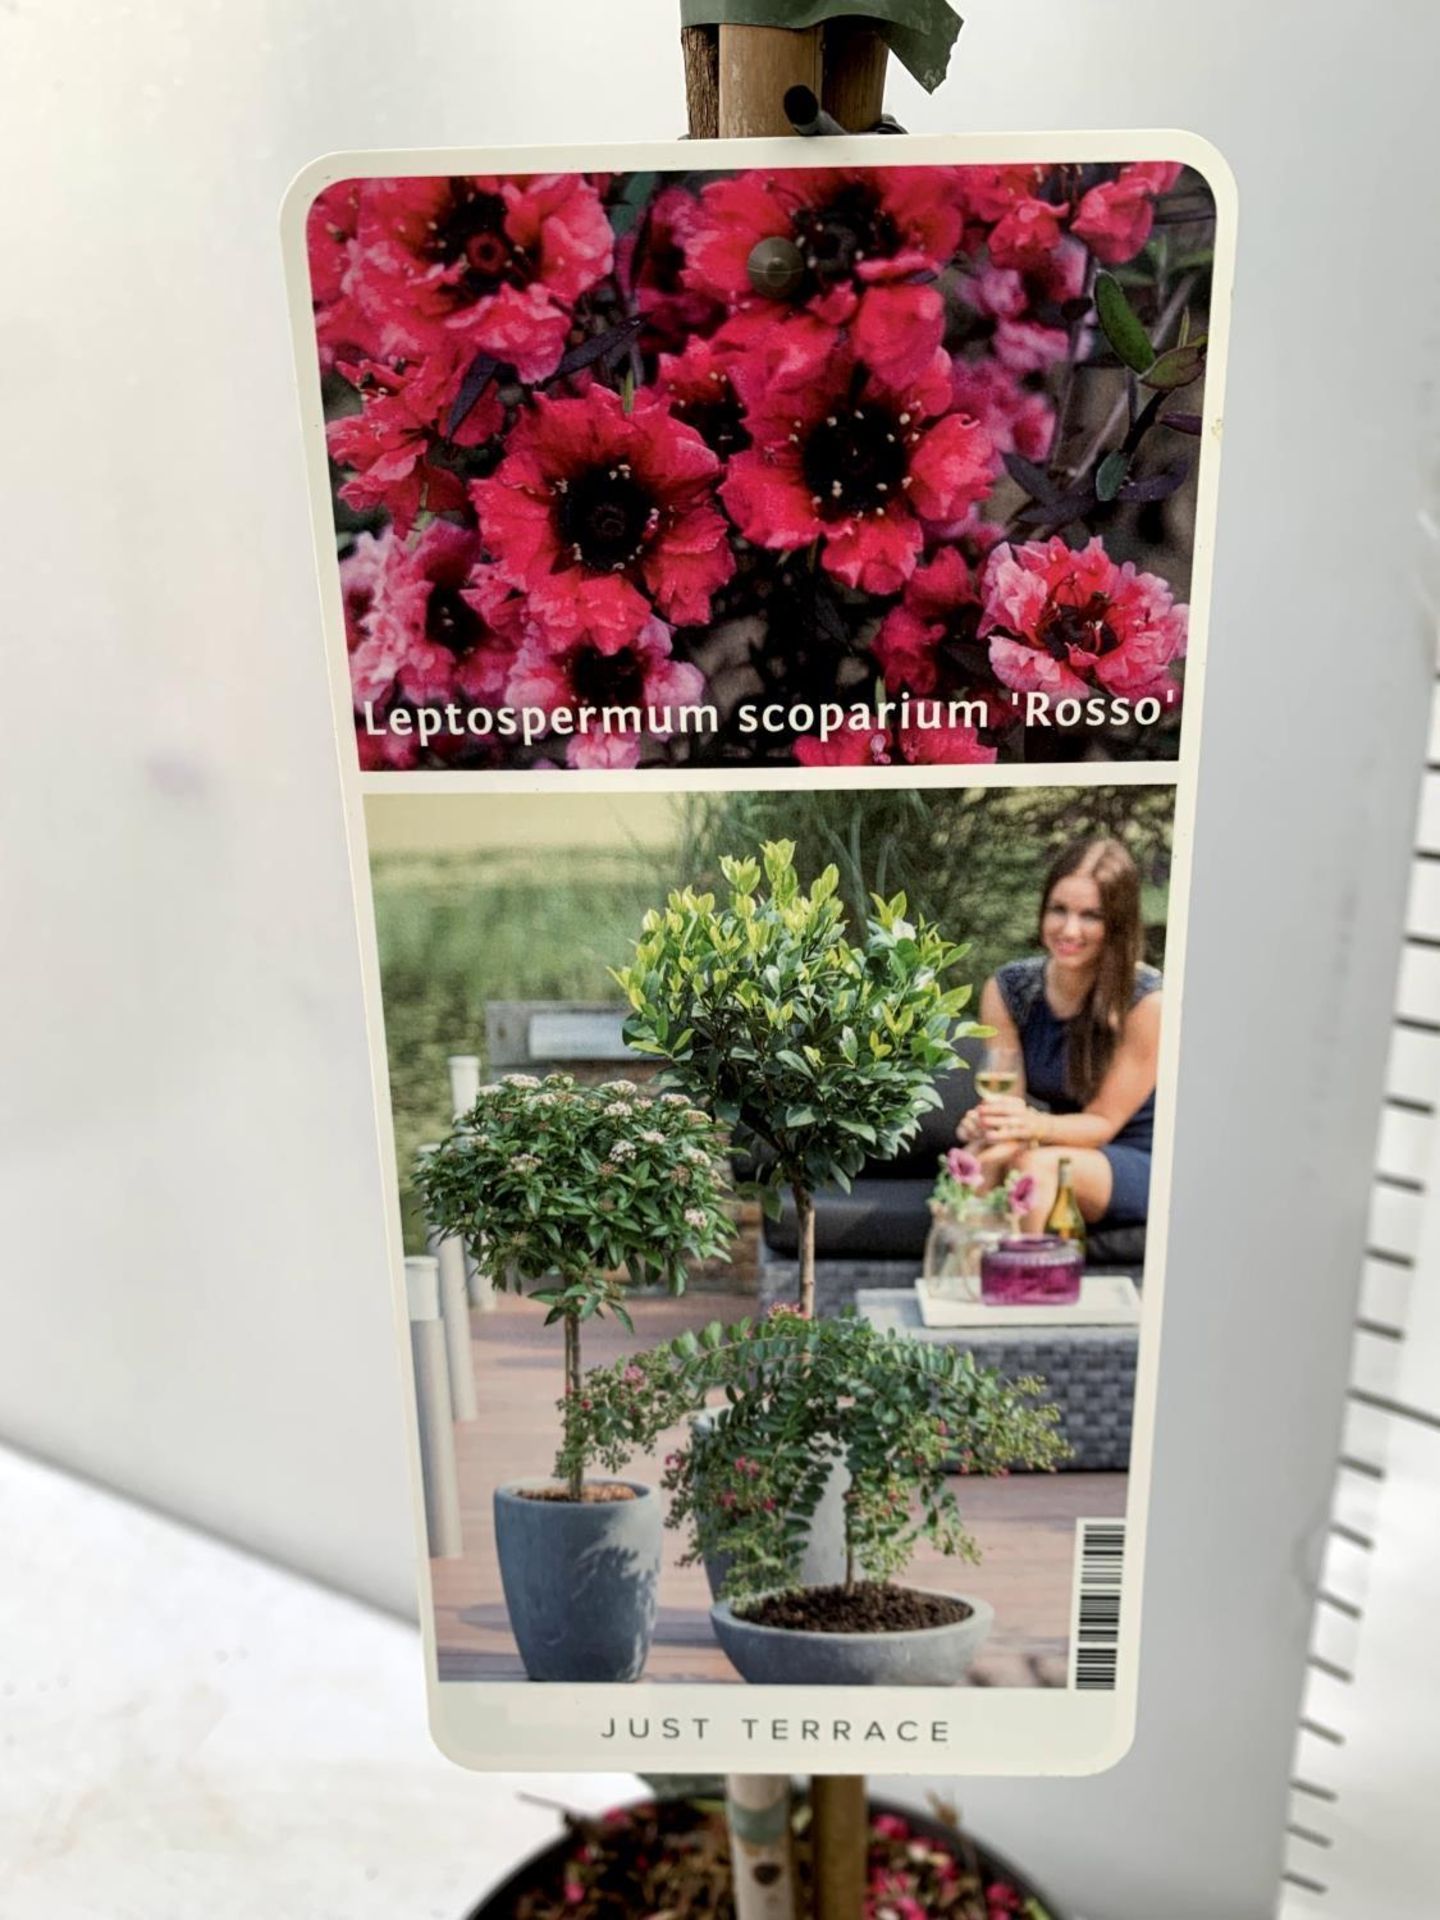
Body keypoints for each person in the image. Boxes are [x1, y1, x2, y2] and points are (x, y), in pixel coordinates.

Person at [958, 837, 1161, 1236]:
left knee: (1035, 1167)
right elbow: (1006, 1102)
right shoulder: (1009, 990)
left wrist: (1027, 1127)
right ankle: (958, 1281)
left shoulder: (1147, 1001)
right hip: (1059, 1141)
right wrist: (988, 1127)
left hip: (1135, 1153)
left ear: (1117, 923)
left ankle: (1024, 1284)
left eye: (1091, 916)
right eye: (1059, 910)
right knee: (979, 1158)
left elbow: (1102, 1123)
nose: (1069, 929)